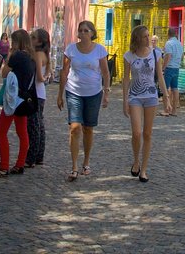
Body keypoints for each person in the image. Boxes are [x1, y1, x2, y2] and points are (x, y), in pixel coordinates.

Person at [59, 20, 110, 182]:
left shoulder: (100, 50)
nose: (82, 33)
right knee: (74, 128)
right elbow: (64, 71)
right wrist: (60, 94)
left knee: (88, 128)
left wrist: (106, 93)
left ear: (92, 33)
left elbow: (106, 73)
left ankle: (86, 162)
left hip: (94, 93)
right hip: (73, 91)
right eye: (80, 30)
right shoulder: (71, 49)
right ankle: (74, 166)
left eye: (85, 31)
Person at [0, 29, 36, 179]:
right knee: (22, 133)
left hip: (14, 99)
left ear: (18, 42)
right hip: (25, 99)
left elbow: (4, 73)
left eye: (13, 41)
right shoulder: (31, 57)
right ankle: (20, 164)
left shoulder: (17, 55)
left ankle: (3, 166)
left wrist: (9, 56)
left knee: (1, 132)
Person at [122, 25, 165, 183]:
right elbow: (126, 79)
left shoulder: (156, 53)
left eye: (149, 36)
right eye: (145, 36)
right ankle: (136, 161)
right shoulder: (129, 56)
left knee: (147, 134)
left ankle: (144, 169)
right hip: (135, 96)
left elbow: (160, 76)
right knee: (137, 133)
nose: (149, 39)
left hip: (151, 96)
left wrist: (166, 97)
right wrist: (125, 100)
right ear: (137, 38)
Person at [25, 28, 50, 168]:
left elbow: (40, 77)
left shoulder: (37, 54)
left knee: (34, 127)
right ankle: (39, 156)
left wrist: (44, 78)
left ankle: (31, 157)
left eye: (33, 37)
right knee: (39, 125)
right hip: (40, 94)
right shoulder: (45, 54)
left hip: (35, 94)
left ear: (39, 41)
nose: (31, 39)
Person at [161, 27, 184, 117]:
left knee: (166, 89)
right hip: (176, 68)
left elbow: (168, 56)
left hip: (169, 68)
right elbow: (182, 57)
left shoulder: (169, 43)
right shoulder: (179, 44)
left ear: (168, 34)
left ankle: (166, 110)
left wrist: (163, 67)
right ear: (175, 34)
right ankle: (174, 110)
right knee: (175, 88)